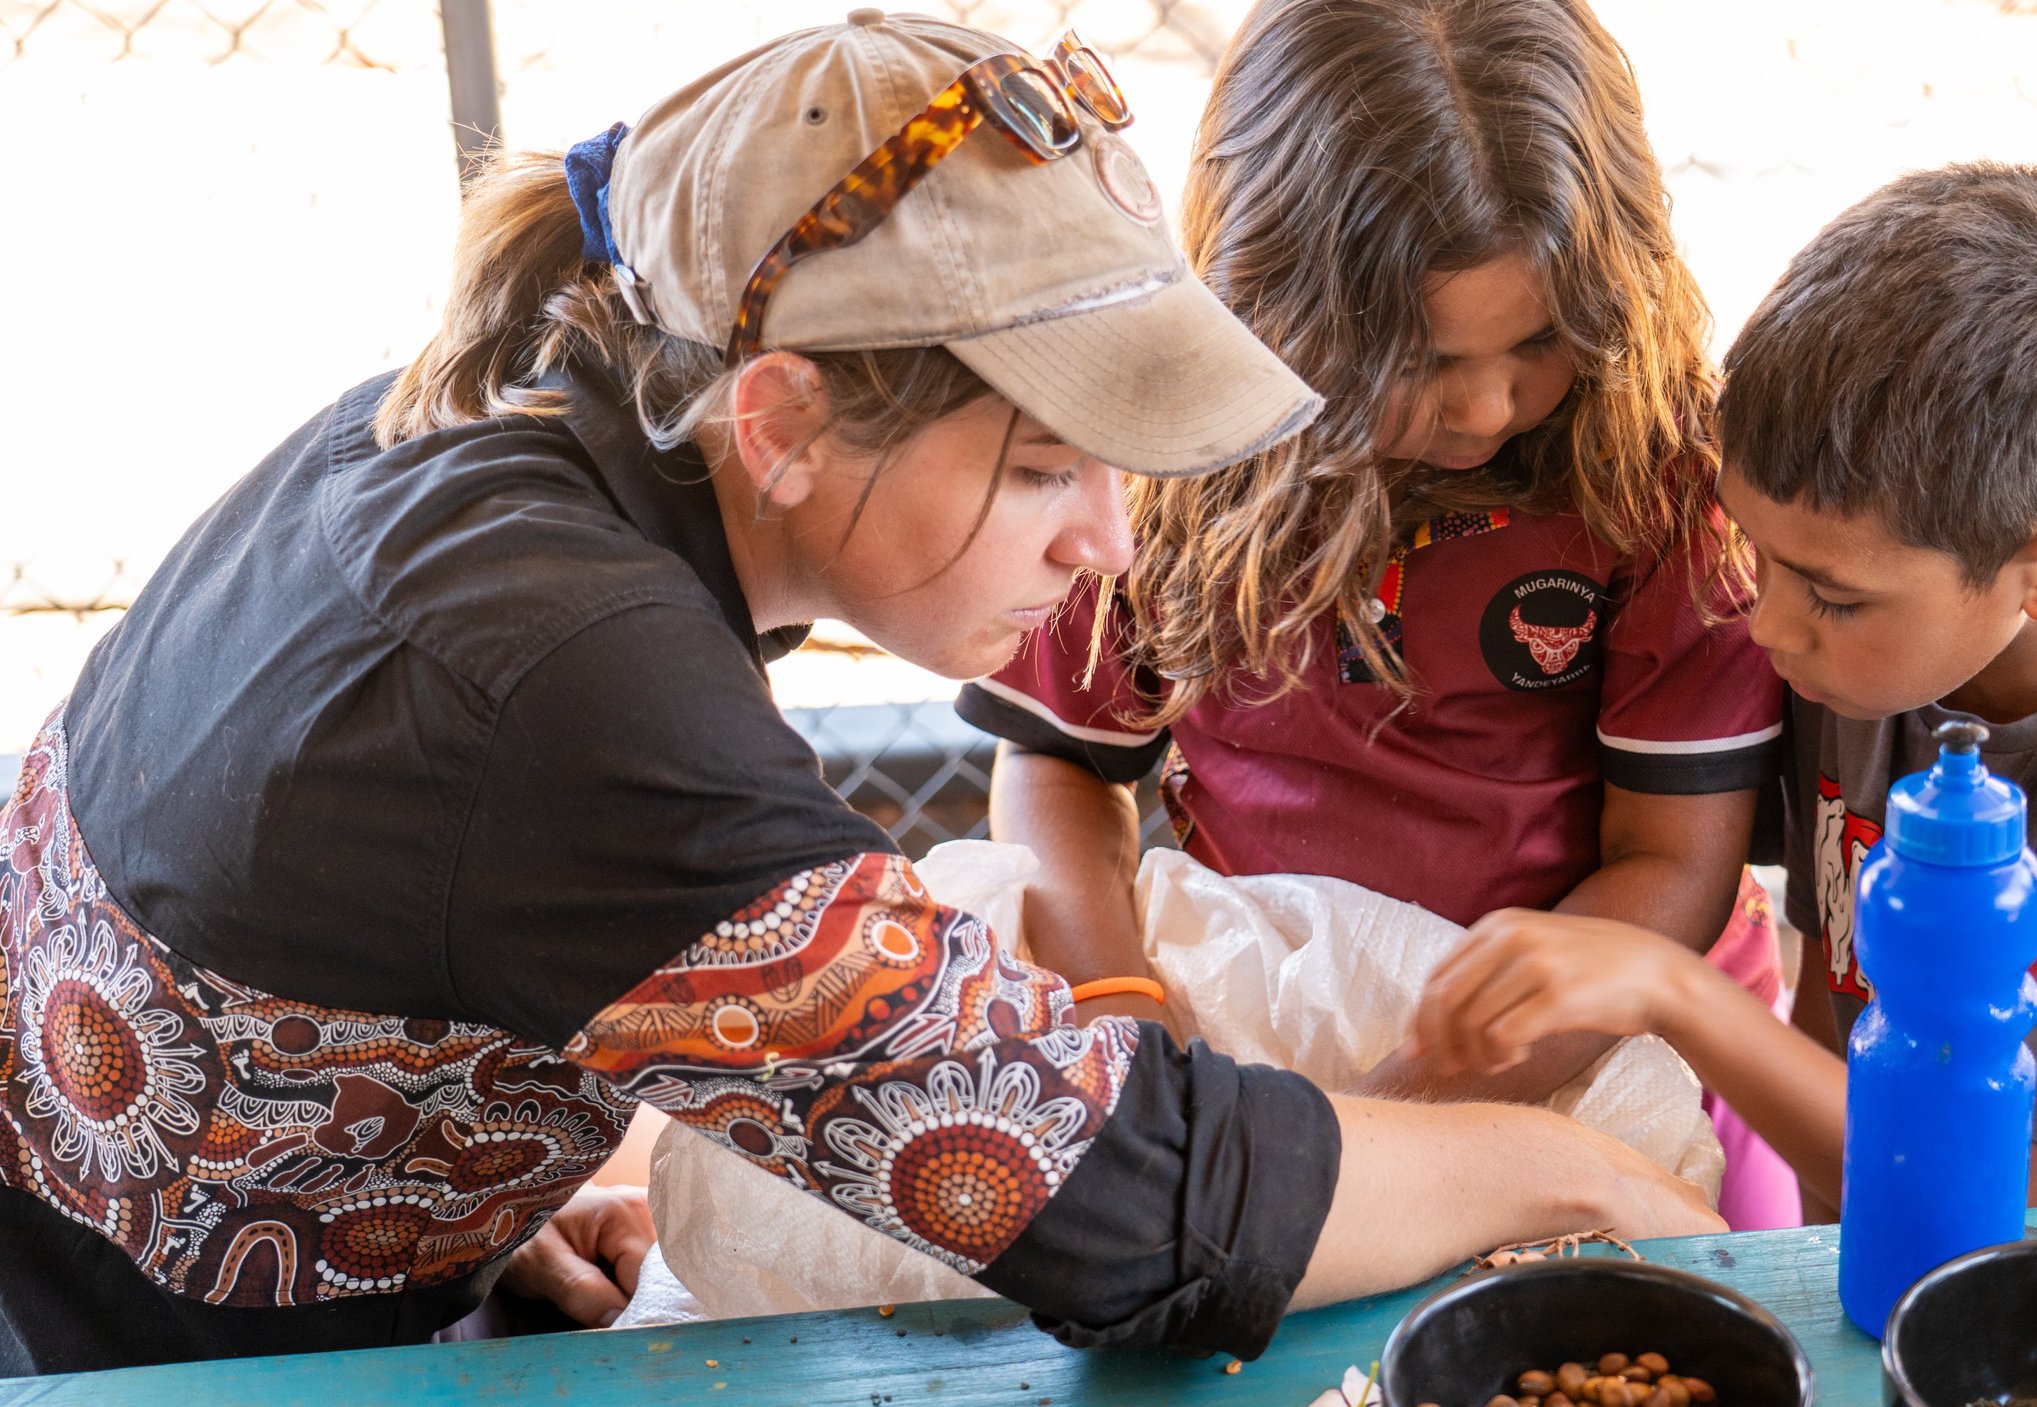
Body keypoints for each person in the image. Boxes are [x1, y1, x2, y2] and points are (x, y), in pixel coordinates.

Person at [0, 16, 1721, 1377]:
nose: (1108, 540)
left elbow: (314, 920)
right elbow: (1117, 1202)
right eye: (1048, 468)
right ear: (782, 422)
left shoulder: (493, 422)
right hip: (135, 1361)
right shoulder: (583, 688)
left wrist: (472, 1187)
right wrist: (1558, 1172)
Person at [956, 0, 1802, 1229]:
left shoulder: (1660, 475)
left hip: (1600, 1040)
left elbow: (1670, 867)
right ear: (1271, 304)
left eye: (1540, 342)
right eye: (1412, 359)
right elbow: (1056, 762)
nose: (1485, 410)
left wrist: (1380, 1133)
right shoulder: (1159, 437)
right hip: (1265, 1010)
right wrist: (1120, 1004)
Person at [1406, 162, 2037, 1212]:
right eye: (1757, 553)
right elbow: (1827, 998)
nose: (1765, 625)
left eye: (1830, 595)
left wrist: (1677, 993)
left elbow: (2036, 1199)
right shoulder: (1866, 670)